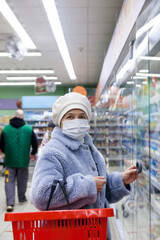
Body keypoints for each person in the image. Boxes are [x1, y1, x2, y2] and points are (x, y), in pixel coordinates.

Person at [30, 92, 138, 239]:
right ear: (60, 121)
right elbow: (40, 195)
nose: (77, 121)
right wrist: (87, 185)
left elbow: (100, 191)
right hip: (68, 233)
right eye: (70, 117)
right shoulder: (53, 151)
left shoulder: (90, 149)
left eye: (82, 116)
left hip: (96, 231)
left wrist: (121, 181)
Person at [0, 109, 38, 212]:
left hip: (9, 161)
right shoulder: (28, 129)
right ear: (22, 117)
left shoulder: (6, 129)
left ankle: (10, 203)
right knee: (22, 180)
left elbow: (2, 146)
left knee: (9, 181)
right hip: (23, 161)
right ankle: (21, 198)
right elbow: (34, 143)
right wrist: (33, 153)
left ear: (14, 116)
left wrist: (6, 152)